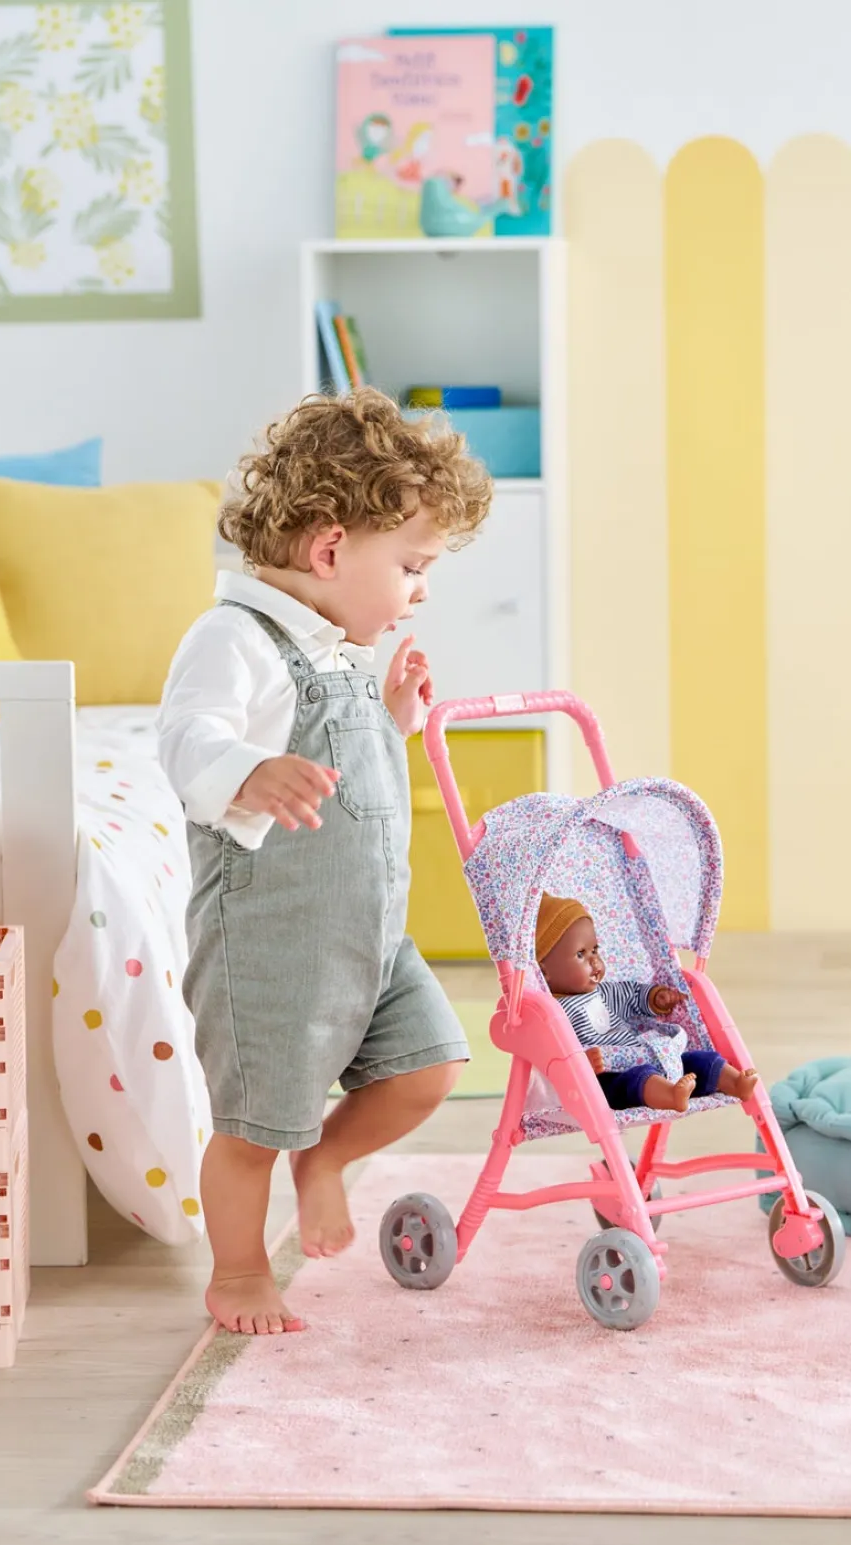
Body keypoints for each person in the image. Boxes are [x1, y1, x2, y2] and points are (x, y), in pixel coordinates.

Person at [159, 390, 493, 1335]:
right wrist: (248, 770)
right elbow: (186, 737)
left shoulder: (340, 649)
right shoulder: (232, 638)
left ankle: (331, 1155)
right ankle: (238, 1271)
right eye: (413, 567)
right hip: (272, 949)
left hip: (370, 938)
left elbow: (344, 771)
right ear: (330, 549)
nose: (419, 591)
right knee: (253, 1128)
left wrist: (392, 720)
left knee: (431, 1067)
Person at [536, 893, 758, 1113]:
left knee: (698, 1060)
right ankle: (671, 1095)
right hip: (608, 1077)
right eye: (580, 954)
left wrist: (654, 997)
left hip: (645, 1055)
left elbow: (632, 995)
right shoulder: (551, 1010)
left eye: (595, 950)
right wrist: (582, 1062)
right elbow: (552, 1052)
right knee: (640, 1079)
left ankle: (735, 1082)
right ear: (545, 971)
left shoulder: (604, 992)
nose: (595, 961)